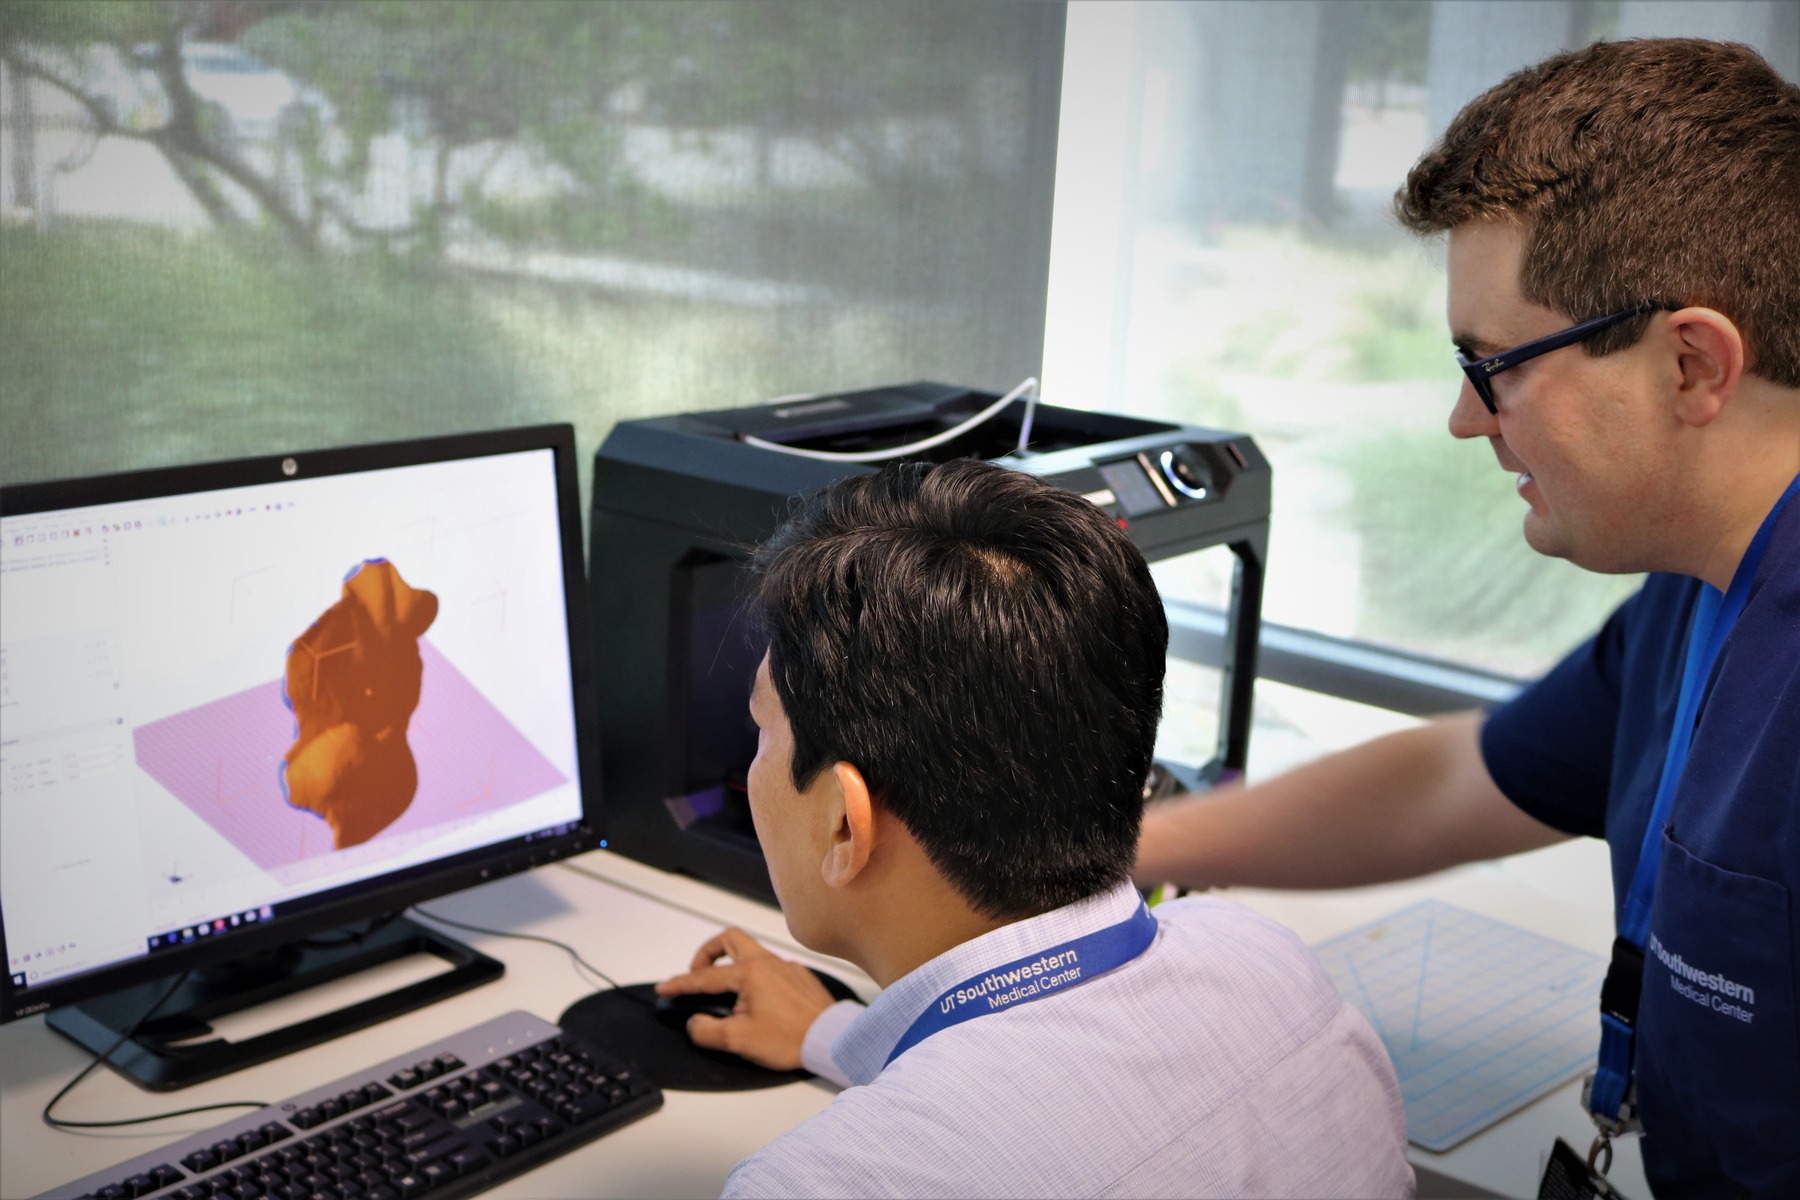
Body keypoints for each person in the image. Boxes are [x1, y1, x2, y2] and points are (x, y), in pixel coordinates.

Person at [1136, 37, 1800, 1200]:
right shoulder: (1697, 599)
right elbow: (1459, 781)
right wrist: (1111, 854)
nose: (1462, 417)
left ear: (1693, 363)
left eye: (1495, 364)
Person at [657, 458, 1413, 1198]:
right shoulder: (1262, 958)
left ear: (845, 826)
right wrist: (836, 1036)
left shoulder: (820, 1182)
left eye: (761, 730)